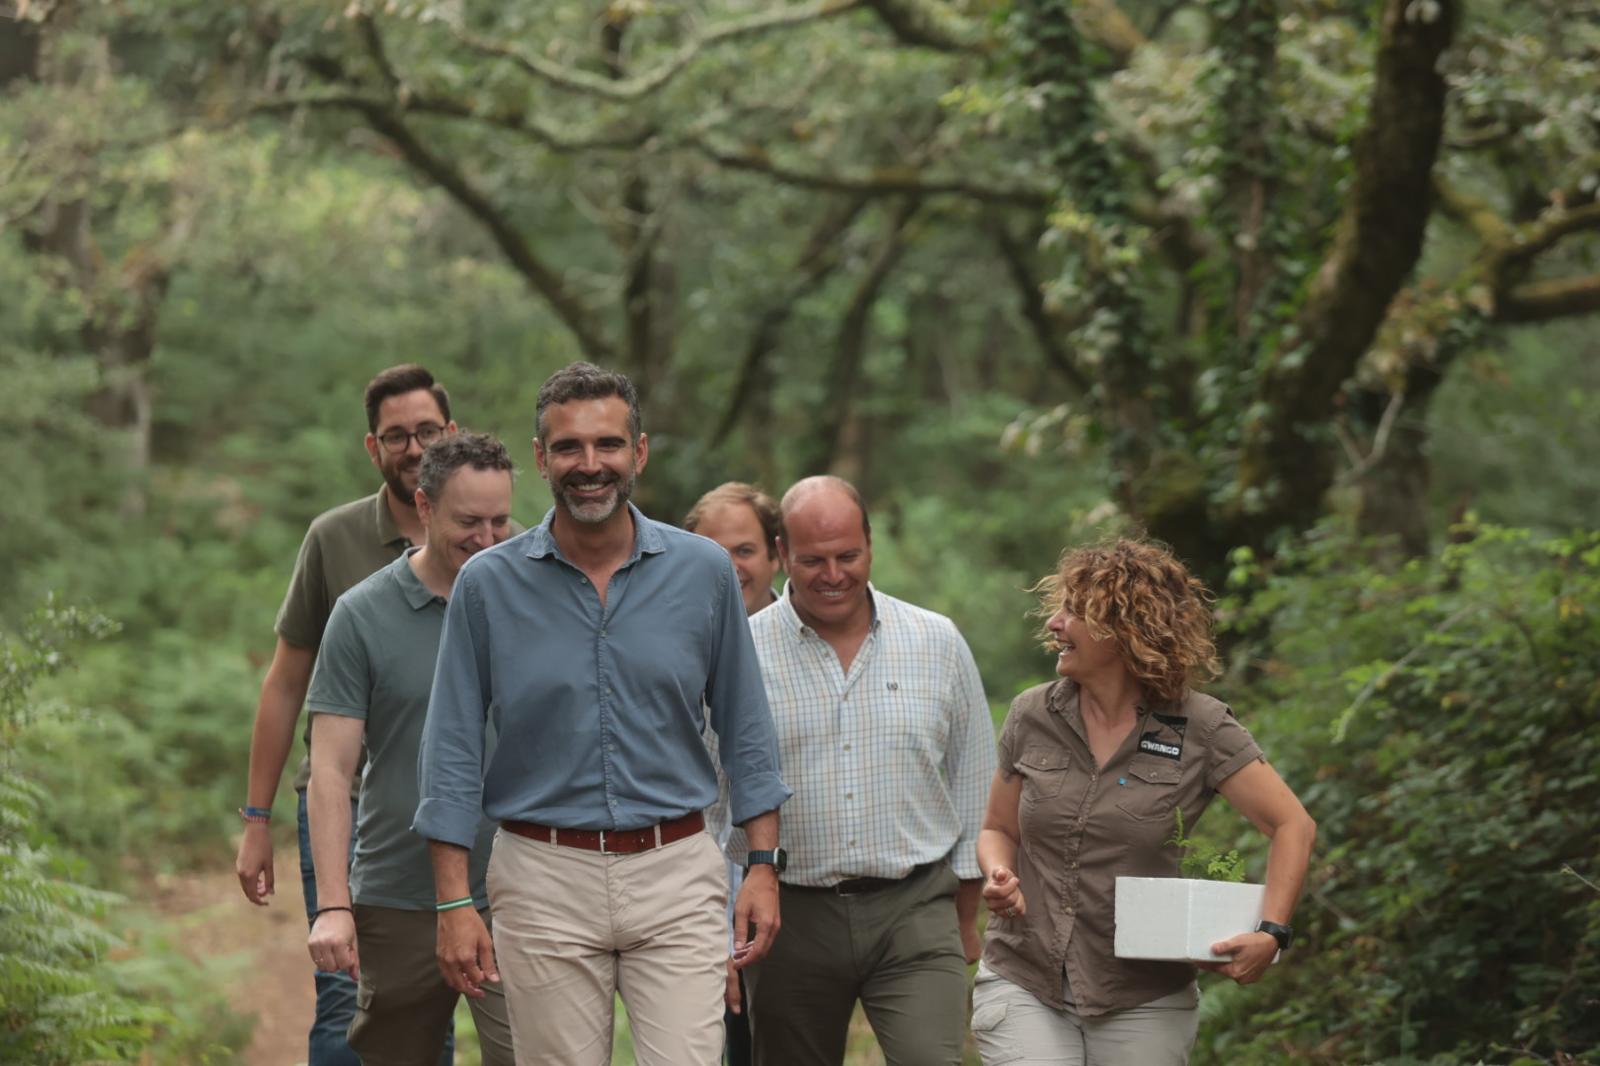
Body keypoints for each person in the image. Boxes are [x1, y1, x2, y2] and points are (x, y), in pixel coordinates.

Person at [414, 361, 791, 1066]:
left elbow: (747, 728)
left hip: (677, 869)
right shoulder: (487, 586)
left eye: (608, 445)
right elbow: (453, 749)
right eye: (568, 448)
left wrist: (763, 864)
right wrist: (452, 903)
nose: (590, 465)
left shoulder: (703, 572)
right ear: (540, 458)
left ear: (638, 452)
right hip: (541, 875)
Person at [972, 539, 1316, 1066]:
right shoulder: (1031, 714)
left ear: (1125, 628)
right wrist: (999, 874)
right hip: (1025, 978)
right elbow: (998, 828)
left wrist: (1271, 932)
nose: (1054, 625)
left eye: (1073, 612)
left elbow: (1292, 823)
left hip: (1141, 995)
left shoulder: (1201, 725)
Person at [731, 475, 997, 1066]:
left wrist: (966, 913)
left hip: (915, 908)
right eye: (812, 560)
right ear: (781, 555)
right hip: (789, 913)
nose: (832, 575)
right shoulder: (741, 654)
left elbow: (977, 781)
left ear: (870, 546)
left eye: (847, 556)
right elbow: (711, 795)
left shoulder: (937, 642)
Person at [234, 364, 457, 1066]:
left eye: (426, 431)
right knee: (346, 996)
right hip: (347, 803)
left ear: (451, 434)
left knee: (439, 992)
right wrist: (256, 820)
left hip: (462, 808)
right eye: (396, 436)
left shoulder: (498, 537)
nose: (413, 447)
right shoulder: (334, 540)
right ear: (373, 448)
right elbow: (283, 684)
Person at [304, 432, 517, 1066]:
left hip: (517, 891)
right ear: (423, 508)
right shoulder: (361, 614)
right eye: (468, 521)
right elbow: (330, 770)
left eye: (501, 520)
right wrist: (334, 905)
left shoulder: (534, 600)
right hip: (398, 895)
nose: (487, 537)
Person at [683, 481, 784, 1065]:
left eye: (743, 551)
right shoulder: (672, 640)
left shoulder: (808, 640)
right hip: (705, 886)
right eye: (712, 551)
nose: (728, 567)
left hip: (796, 883)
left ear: (775, 554)